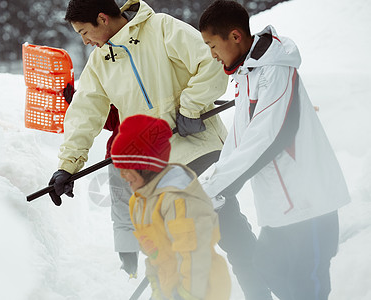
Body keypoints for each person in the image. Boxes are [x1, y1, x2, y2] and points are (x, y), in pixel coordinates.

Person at [48, 0, 232, 280]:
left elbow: (211, 62)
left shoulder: (161, 28)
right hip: (158, 168)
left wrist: (191, 107)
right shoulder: (100, 63)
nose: (84, 41)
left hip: (200, 149)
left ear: (102, 19)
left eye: (84, 32)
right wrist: (67, 166)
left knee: (228, 231)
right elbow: (84, 113)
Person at [199, 1, 351, 299]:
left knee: (307, 288)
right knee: (268, 268)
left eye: (212, 45)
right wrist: (210, 187)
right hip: (281, 208)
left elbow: (268, 137)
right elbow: (241, 141)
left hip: (309, 204)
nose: (212, 54)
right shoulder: (247, 74)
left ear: (235, 36)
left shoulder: (274, 71)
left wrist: (217, 187)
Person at [111, 114, 231, 300]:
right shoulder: (140, 202)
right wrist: (158, 291)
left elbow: (195, 254)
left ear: (148, 167)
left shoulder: (178, 199)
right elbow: (155, 255)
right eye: (121, 169)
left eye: (129, 169)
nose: (124, 176)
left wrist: (186, 294)